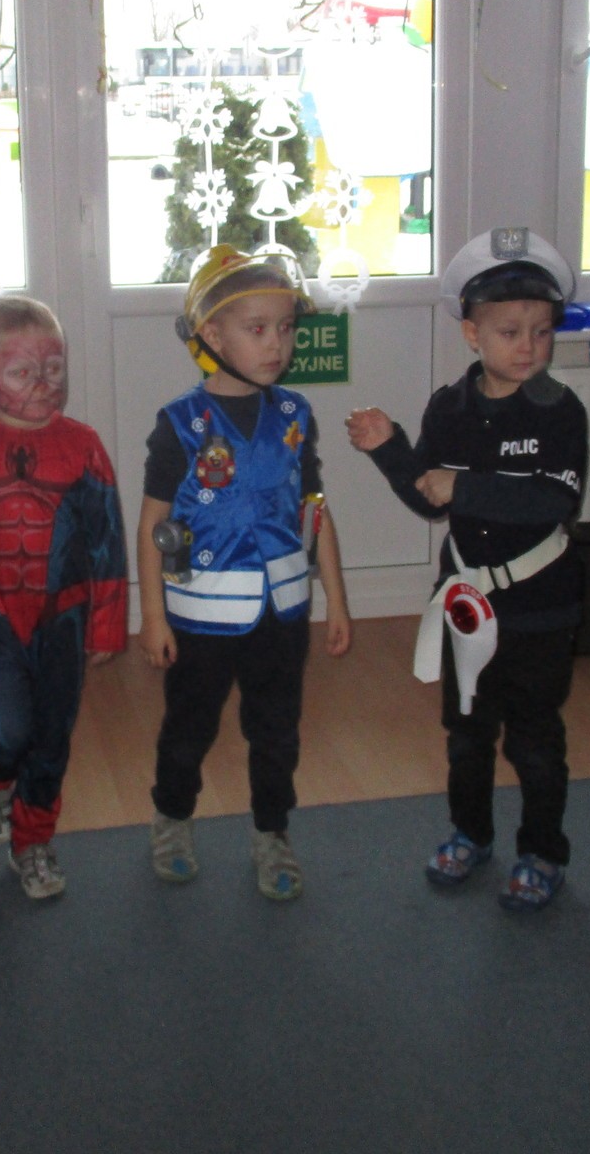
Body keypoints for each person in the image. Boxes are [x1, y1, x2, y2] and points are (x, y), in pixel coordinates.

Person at [347, 228, 590, 912]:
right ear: (471, 334)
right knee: (467, 736)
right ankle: (471, 833)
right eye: (509, 332)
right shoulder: (449, 408)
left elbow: (554, 500)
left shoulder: (561, 412)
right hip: (465, 604)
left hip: (541, 607)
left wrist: (468, 487)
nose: (528, 346)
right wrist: (391, 450)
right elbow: (429, 496)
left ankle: (542, 851)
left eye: (541, 332)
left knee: (535, 742)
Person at [138, 245, 351, 900]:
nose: (277, 344)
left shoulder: (294, 415)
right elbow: (151, 526)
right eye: (257, 328)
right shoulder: (180, 425)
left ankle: (271, 831)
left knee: (276, 732)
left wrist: (337, 601)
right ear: (211, 335)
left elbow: (314, 510)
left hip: (281, 616)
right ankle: (172, 817)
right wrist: (152, 617)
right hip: (200, 617)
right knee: (189, 729)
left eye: (285, 328)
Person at [0, 296, 127, 900]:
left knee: (52, 737)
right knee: (5, 728)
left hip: (64, 617)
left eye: (54, 369)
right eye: (22, 372)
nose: (43, 384)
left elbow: (107, 540)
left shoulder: (83, 445)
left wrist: (106, 625)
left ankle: (32, 842)